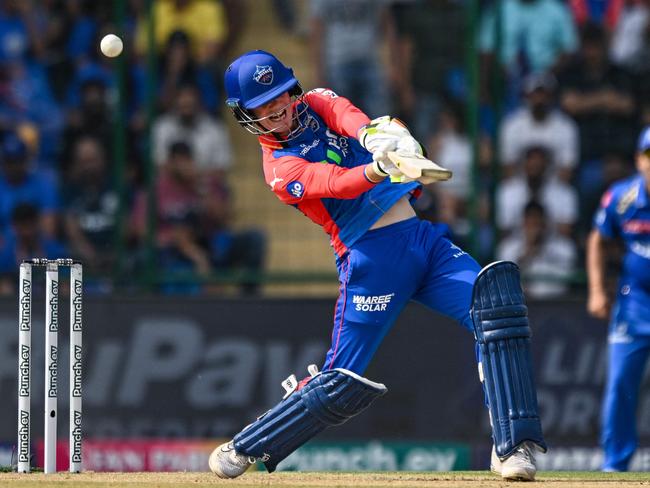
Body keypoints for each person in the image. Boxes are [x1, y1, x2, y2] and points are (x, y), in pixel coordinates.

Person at [210, 50, 547, 481]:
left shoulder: (314, 101)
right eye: (263, 104)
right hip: (371, 259)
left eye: (279, 95)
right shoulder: (278, 169)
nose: (276, 108)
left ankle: (512, 447)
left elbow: (348, 115)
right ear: (245, 114)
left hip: (423, 242)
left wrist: (379, 136)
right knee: (340, 380)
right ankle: (246, 447)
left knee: (496, 310)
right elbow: (332, 183)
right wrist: (378, 169)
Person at [586, 127, 650, 472]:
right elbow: (598, 239)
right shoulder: (621, 197)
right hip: (635, 303)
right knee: (621, 385)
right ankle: (615, 466)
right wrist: (597, 289)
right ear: (639, 159)